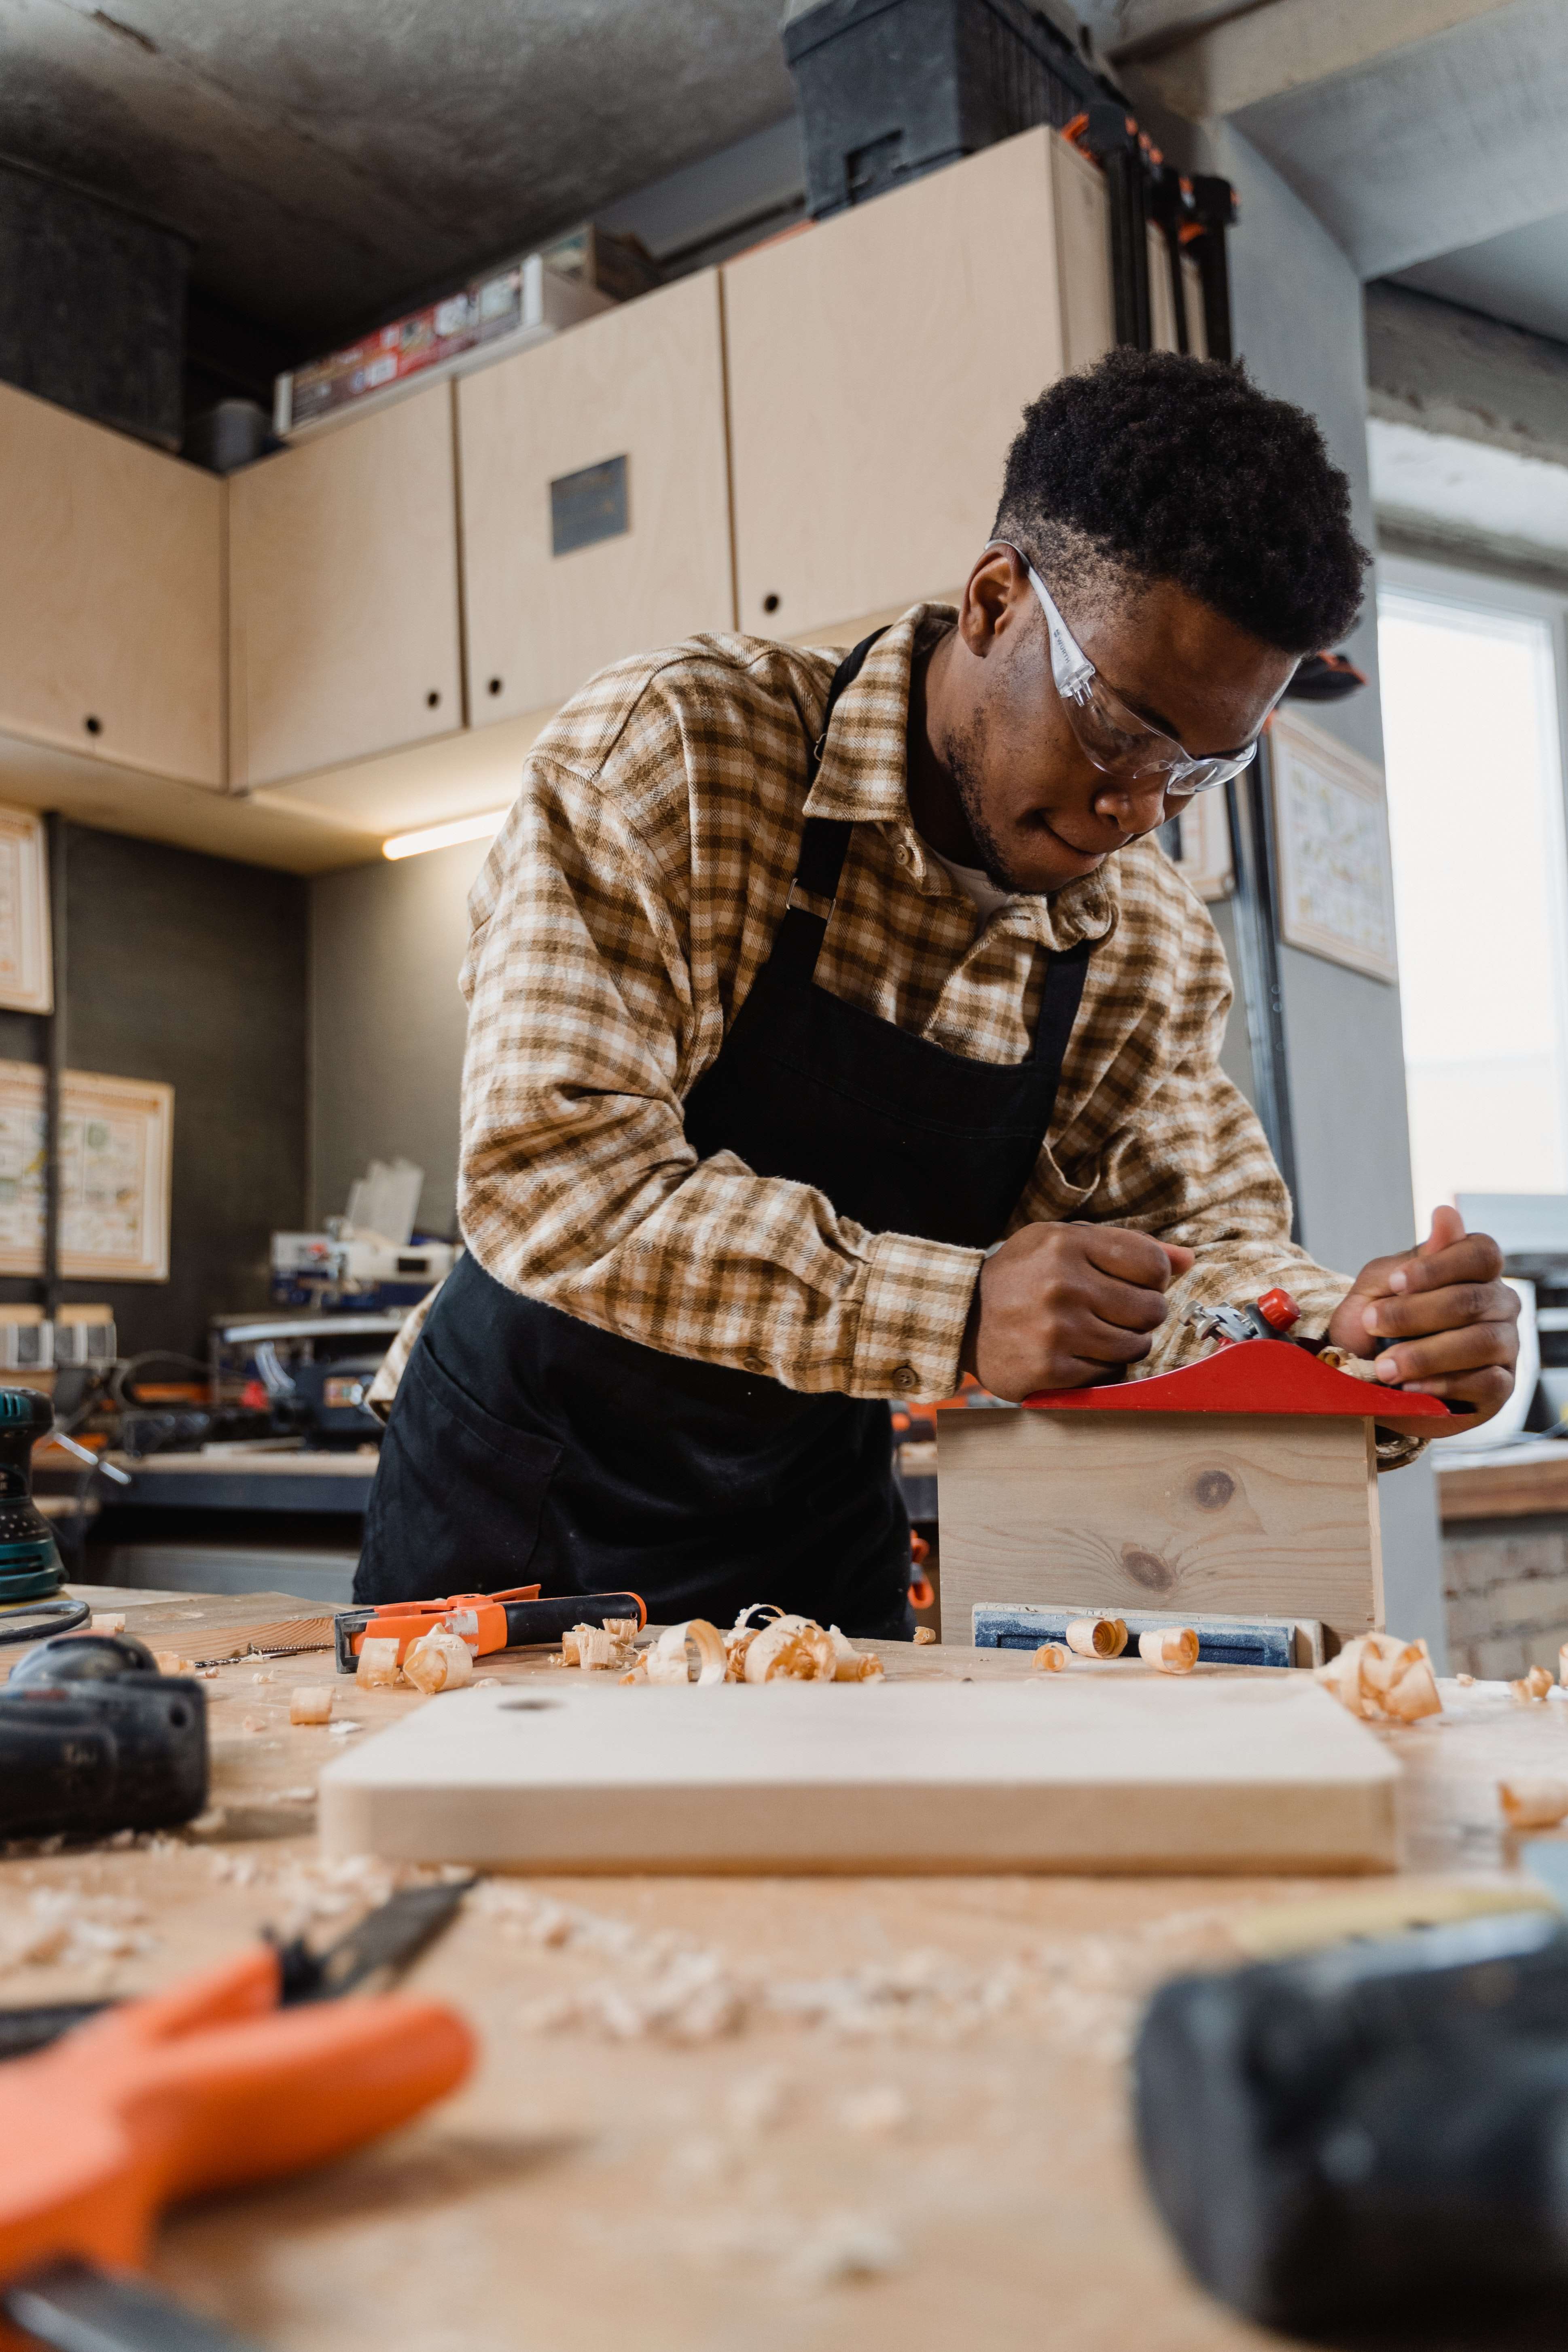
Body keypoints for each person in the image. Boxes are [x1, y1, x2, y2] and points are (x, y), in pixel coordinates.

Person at [358, 347, 1517, 1632]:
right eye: (1121, 734)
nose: (1136, 811)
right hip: (518, 1496)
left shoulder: (1144, 940)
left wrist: (1351, 1347)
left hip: (806, 1517)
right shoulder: (679, 753)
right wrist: (960, 1309)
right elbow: (555, 1179)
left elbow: (1194, 1260)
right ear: (992, 600)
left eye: (1200, 773)